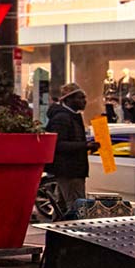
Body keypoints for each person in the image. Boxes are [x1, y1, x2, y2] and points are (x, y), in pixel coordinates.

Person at [45, 85, 92, 218]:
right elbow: (57, 144)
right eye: (80, 98)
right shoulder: (62, 118)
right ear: (68, 100)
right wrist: (85, 146)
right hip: (69, 170)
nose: (84, 101)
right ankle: (74, 236)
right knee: (76, 206)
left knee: (61, 206)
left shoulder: (73, 116)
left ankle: (56, 235)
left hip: (73, 169)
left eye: (84, 97)